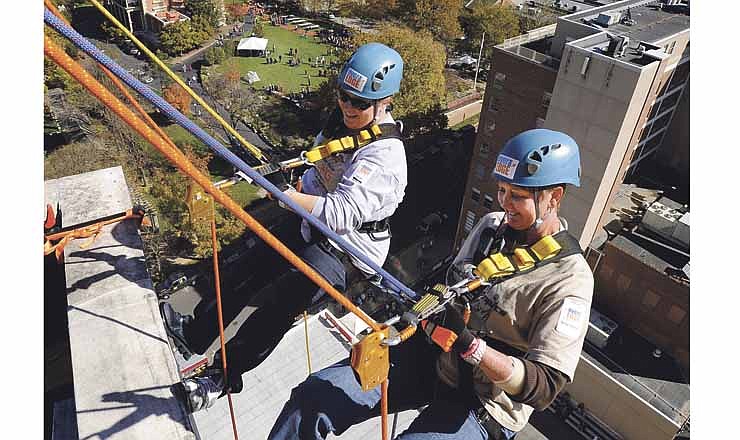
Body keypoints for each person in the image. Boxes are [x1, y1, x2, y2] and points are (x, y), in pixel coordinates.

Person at [267, 129, 594, 440]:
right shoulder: (491, 228)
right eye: (502, 191)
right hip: (432, 359)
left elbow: (544, 387)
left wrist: (470, 345)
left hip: (485, 403)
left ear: (554, 197)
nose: (505, 204)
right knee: (312, 398)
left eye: (518, 196)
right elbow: (449, 282)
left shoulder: (570, 280)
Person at [160, 42, 408, 413]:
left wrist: (285, 195)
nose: (348, 106)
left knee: (280, 301)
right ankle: (193, 332)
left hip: (350, 248)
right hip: (313, 221)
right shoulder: (339, 123)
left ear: (384, 101)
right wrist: (290, 183)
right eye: (344, 95)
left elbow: (341, 213)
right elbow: (319, 176)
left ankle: (220, 379)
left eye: (359, 102)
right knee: (248, 266)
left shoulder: (385, 156)